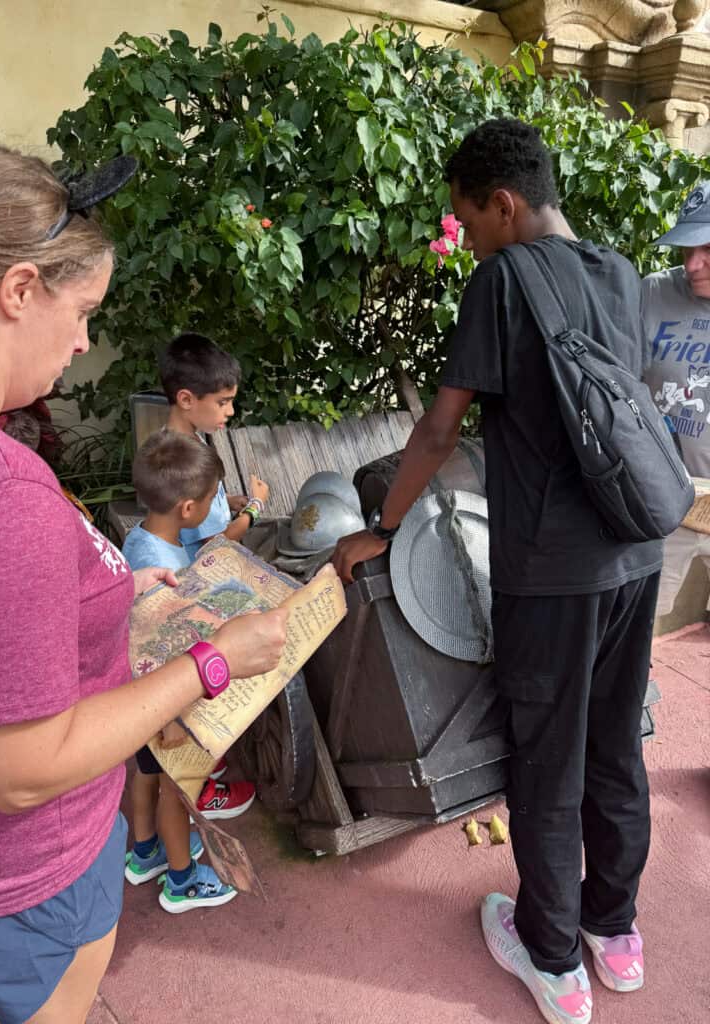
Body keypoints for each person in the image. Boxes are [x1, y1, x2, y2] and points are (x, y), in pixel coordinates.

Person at [0, 143, 288, 1024]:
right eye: (83, 309)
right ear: (18, 291)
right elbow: (17, 769)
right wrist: (212, 661)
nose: (87, 339)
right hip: (26, 873)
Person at [333, 119, 660, 1024]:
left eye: (467, 218)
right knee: (614, 744)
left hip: (553, 575)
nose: (467, 235)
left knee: (546, 763)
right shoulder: (621, 272)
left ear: (503, 204)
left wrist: (381, 525)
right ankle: (615, 930)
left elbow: (441, 428)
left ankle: (552, 959)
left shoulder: (503, 280)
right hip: (636, 557)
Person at [122, 430, 255, 911]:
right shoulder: (162, 562)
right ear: (188, 509)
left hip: (137, 701)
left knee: (145, 776)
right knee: (178, 794)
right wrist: (172, 717)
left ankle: (144, 853)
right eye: (210, 500)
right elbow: (156, 648)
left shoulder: (141, 541)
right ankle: (181, 881)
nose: (212, 509)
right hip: (164, 705)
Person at [642, 183, 710, 620]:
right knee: (637, 631)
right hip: (668, 503)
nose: (692, 263)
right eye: (686, 248)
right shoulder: (652, 293)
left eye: (706, 248)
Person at [158, 332, 269, 559]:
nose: (230, 411)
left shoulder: (176, 442)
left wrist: (225, 501)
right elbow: (213, 546)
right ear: (186, 400)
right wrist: (255, 507)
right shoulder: (188, 463)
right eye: (222, 402)